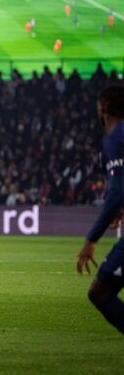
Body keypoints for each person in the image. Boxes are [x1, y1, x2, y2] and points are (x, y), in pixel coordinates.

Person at [77, 85, 124, 334]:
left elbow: (116, 192)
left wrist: (91, 239)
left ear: (103, 108)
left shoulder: (114, 139)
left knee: (100, 292)